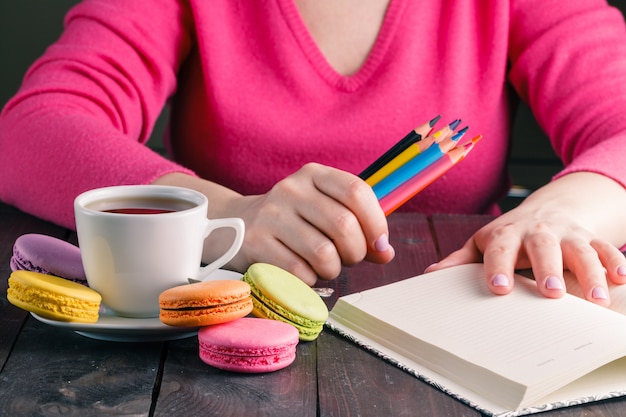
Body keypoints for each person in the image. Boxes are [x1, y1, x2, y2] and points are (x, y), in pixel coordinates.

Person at [2, 0, 626, 306]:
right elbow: (32, 127)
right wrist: (222, 214)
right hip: (217, 314)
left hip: (468, 308)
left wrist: (566, 209)